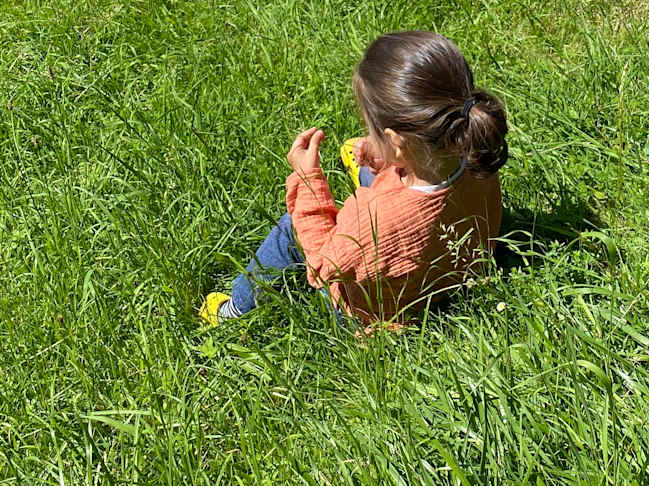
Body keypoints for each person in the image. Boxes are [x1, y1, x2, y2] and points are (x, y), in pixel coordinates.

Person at [200, 32, 508, 328]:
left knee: (292, 226)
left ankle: (233, 311)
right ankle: (379, 167)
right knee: (369, 169)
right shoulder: (476, 149)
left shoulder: (375, 223)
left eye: (373, 130)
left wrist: (308, 181)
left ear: (397, 143)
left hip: (377, 312)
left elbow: (323, 266)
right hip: (450, 275)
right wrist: (385, 154)